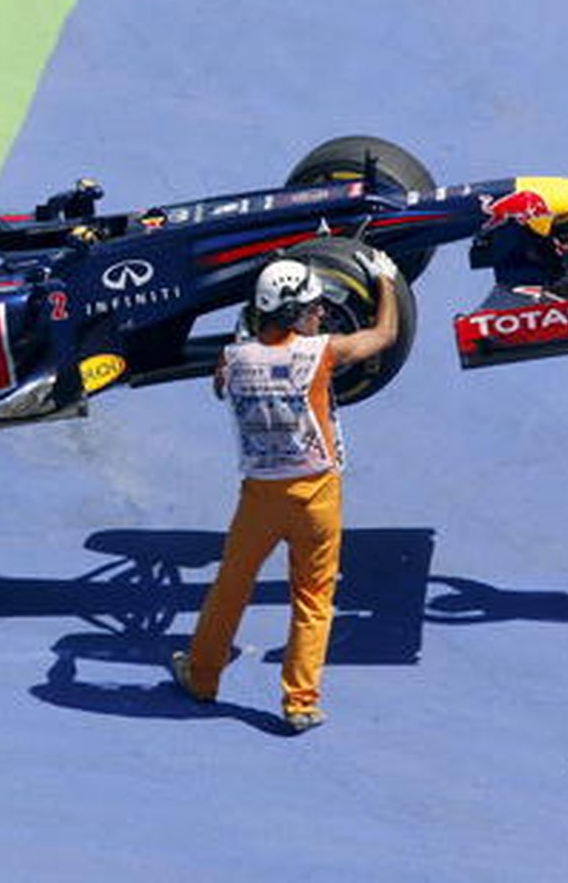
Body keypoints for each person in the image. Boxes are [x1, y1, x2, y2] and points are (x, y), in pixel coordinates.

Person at [172, 248, 401, 731]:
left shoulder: (232, 360)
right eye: (314, 307)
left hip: (258, 498)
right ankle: (300, 702)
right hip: (316, 496)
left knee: (230, 588)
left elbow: (221, 384)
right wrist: (386, 281)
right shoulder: (322, 353)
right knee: (314, 598)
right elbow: (385, 335)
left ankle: (202, 676)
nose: (322, 313)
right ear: (295, 313)